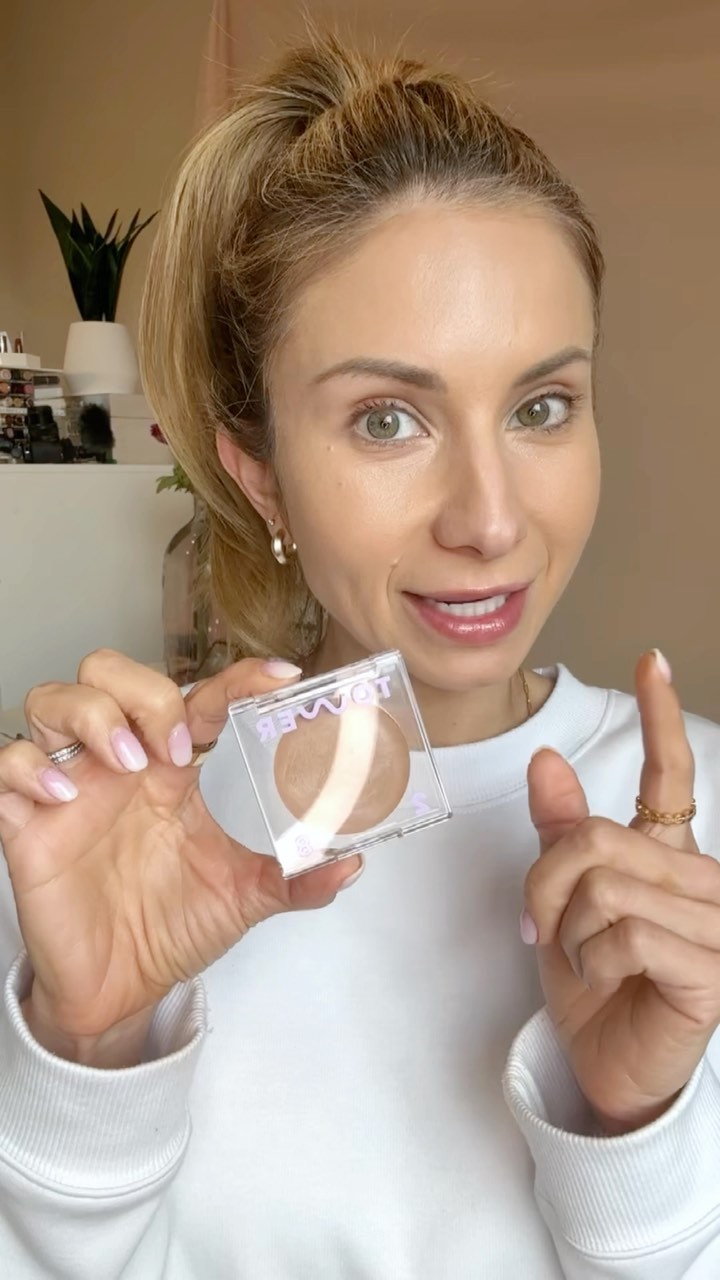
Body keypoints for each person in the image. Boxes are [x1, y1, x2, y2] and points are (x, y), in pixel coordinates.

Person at [1, 33, 719, 1280]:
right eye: (388, 419)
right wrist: (88, 1047)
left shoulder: (700, 852)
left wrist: (633, 1128)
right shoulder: (104, 846)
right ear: (260, 473)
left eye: (541, 406)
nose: (490, 519)